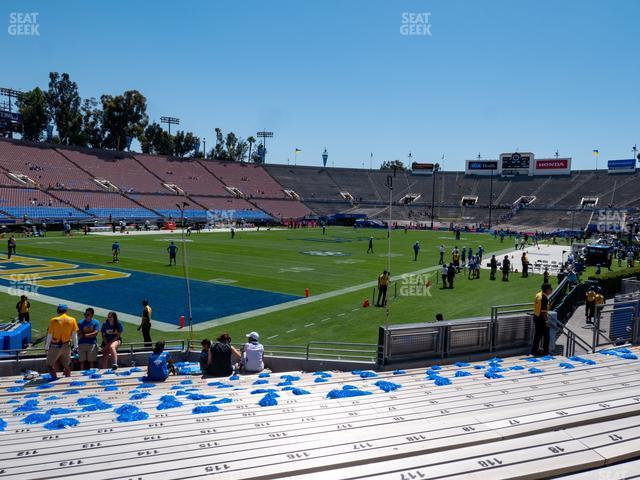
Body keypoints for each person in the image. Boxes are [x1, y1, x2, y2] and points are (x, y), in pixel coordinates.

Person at [45, 304, 78, 380]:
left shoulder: (54, 320)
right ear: (66, 311)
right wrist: (76, 345)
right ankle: (68, 380)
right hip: (67, 345)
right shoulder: (72, 320)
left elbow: (50, 334)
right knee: (67, 365)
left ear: (58, 311)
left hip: (55, 346)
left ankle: (54, 380)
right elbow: (74, 334)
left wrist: (46, 346)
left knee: (49, 365)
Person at [531, 283, 553, 356]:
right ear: (547, 290)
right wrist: (546, 321)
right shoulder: (544, 298)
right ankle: (545, 352)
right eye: (550, 289)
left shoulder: (538, 294)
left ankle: (535, 350)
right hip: (541, 319)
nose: (551, 290)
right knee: (546, 336)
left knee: (538, 335)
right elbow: (543, 311)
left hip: (536, 316)